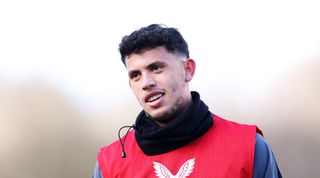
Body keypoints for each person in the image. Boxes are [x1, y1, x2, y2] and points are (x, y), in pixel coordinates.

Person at [92, 24, 282, 178]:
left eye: (156, 68)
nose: (146, 83)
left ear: (188, 69)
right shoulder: (110, 164)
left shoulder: (248, 147)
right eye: (136, 75)